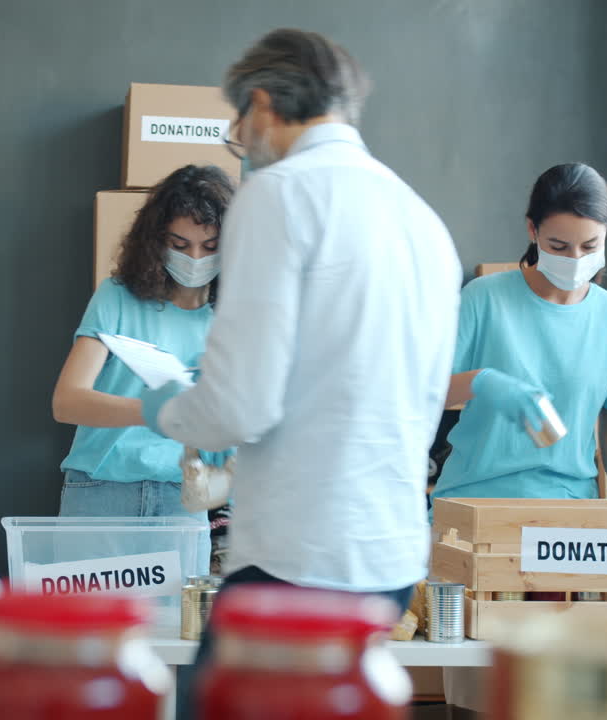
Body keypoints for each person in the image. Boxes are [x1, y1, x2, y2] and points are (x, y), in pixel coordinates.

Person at [138, 30, 460, 707]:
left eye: (237, 122)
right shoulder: (422, 219)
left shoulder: (278, 195)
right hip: (391, 554)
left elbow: (240, 406)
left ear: (262, 104)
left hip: (299, 556)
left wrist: (167, 403)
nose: (239, 137)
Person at [52, 164, 235, 569]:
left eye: (210, 247)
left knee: (174, 631)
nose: (194, 258)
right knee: (87, 631)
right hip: (101, 492)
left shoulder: (236, 318)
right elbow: (67, 402)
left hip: (181, 501)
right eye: (180, 244)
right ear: (156, 241)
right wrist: (151, 412)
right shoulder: (117, 297)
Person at [433, 163, 607, 507]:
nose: (575, 259)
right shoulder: (483, 298)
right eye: (559, 246)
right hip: (474, 504)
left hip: (570, 513)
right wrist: (481, 381)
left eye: (589, 247)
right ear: (533, 230)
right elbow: (424, 391)